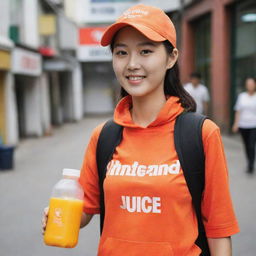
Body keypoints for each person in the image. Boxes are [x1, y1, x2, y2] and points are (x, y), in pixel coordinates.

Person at [42, 4, 239, 255]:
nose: (132, 64)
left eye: (145, 51)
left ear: (171, 57)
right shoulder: (104, 136)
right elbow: (85, 210)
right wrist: (58, 215)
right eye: (121, 53)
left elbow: (219, 229)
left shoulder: (201, 134)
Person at [232, 77, 256, 174]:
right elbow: (238, 111)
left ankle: (250, 165)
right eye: (248, 84)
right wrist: (236, 124)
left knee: (251, 145)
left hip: (254, 124)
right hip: (243, 125)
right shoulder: (242, 96)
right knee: (246, 145)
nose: (250, 85)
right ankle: (249, 161)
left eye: (251, 83)